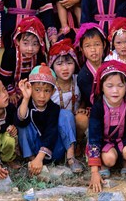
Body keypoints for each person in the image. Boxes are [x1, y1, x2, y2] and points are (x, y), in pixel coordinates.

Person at [87, 61, 126, 192]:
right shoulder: (97, 107)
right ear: (101, 87)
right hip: (105, 141)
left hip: (124, 139)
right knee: (109, 160)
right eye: (109, 86)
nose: (115, 91)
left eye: (120, 85)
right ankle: (104, 163)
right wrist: (94, 172)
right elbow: (94, 138)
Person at [16, 64, 79, 176]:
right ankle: (30, 160)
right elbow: (21, 121)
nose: (42, 95)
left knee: (66, 115)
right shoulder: (26, 104)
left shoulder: (53, 108)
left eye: (46, 91)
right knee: (23, 124)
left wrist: (40, 158)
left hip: (53, 149)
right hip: (34, 150)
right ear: (30, 88)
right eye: (37, 90)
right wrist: (26, 98)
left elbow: (51, 133)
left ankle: (71, 157)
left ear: (53, 91)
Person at [48, 39, 85, 173]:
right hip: (55, 132)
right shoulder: (49, 87)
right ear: (52, 65)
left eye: (69, 63)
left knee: (81, 118)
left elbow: (85, 98)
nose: (65, 68)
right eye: (59, 64)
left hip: (75, 125)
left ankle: (78, 148)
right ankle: (70, 157)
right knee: (64, 114)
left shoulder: (78, 80)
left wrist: (82, 106)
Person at [0, 17, 47, 105]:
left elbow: (40, 76)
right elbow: (4, 78)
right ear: (17, 41)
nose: (30, 48)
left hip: (32, 89)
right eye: (25, 43)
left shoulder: (39, 55)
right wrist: (11, 92)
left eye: (35, 44)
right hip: (11, 90)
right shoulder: (10, 54)